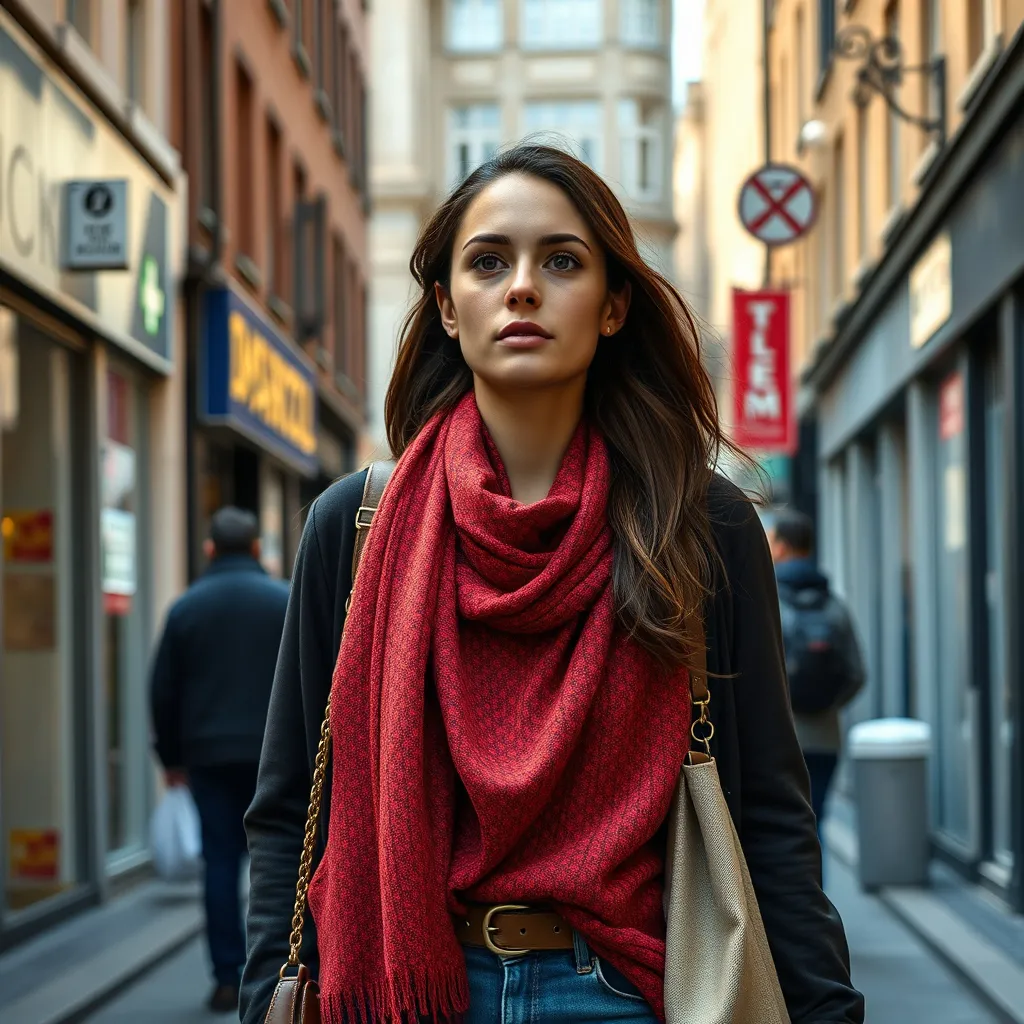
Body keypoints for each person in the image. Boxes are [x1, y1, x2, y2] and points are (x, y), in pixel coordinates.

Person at [241, 145, 864, 1024]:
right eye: (488, 261)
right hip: (403, 988)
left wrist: (827, 1009)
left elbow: (767, 810)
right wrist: (265, 994)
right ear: (447, 308)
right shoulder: (354, 526)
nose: (522, 287)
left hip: (633, 992)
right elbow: (287, 811)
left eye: (561, 261)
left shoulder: (701, 524)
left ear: (613, 308)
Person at [150, 506, 290, 1014]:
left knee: (220, 863)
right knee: (280, 861)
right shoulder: (284, 600)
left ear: (210, 549)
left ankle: (227, 976)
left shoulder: (187, 608)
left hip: (207, 758)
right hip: (276, 756)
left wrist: (170, 757)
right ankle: (280, 971)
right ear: (256, 549)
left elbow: (162, 690)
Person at [769, 509, 866, 838]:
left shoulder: (767, 603)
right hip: (826, 737)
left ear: (781, 547)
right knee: (816, 824)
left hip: (780, 737)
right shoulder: (834, 605)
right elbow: (856, 674)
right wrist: (825, 704)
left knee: (782, 830)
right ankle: (818, 889)